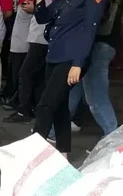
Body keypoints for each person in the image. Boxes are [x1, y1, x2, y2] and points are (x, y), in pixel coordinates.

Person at [32, 0, 108, 157]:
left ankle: (32, 155)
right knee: (60, 106)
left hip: (72, 59)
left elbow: (90, 28)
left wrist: (78, 63)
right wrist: (39, 3)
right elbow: (43, 18)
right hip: (54, 56)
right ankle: (63, 152)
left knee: (45, 105)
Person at [49, 0, 122, 139]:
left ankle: (114, 139)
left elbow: (93, 22)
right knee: (73, 90)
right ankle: (52, 131)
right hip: (98, 44)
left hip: (96, 44)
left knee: (95, 95)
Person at [3, 0, 51, 121]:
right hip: (38, 37)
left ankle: (24, 111)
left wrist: (34, 9)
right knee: (38, 77)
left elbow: (50, 10)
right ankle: (35, 108)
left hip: (41, 38)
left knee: (25, 74)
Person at [3, 4, 32, 108]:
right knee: (13, 73)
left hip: (23, 45)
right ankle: (11, 96)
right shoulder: (21, 4)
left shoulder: (28, 3)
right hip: (16, 43)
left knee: (20, 74)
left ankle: (17, 100)